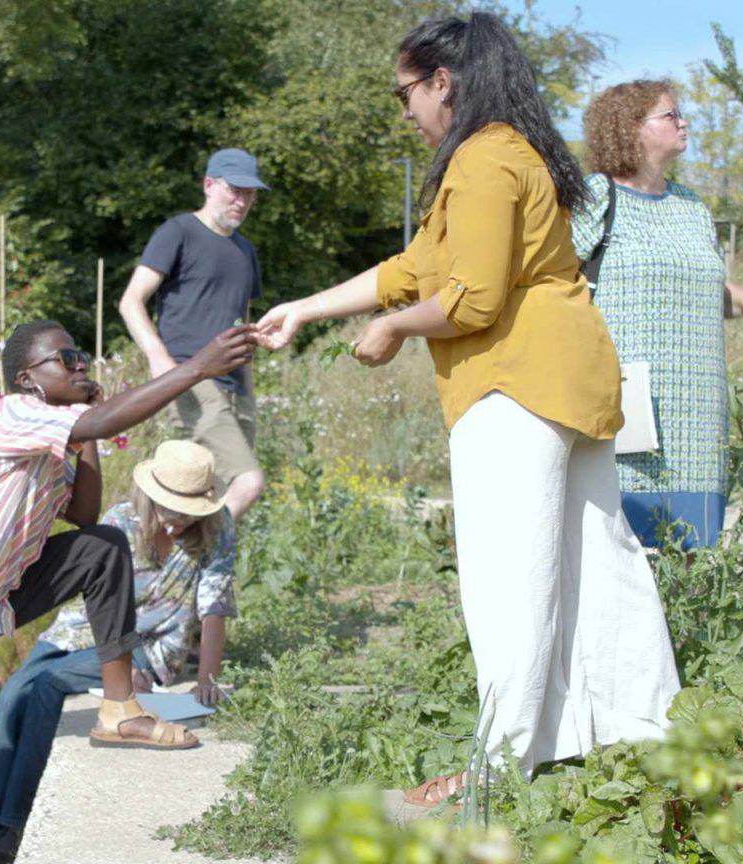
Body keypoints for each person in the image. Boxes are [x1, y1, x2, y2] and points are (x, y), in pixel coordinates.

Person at [257, 13, 680, 801]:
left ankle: (500, 769)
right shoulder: (511, 153)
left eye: (405, 94)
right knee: (600, 569)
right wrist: (307, 308)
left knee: (509, 580)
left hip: (513, 385)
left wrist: (389, 329)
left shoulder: (483, 160)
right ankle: (647, 743)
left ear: (443, 82)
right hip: (568, 379)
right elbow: (414, 267)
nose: (405, 111)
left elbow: (471, 301)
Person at [0, 320, 257, 864]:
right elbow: (102, 417)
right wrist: (196, 368)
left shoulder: (54, 438)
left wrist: (87, 439)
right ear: (29, 378)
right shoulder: (11, 414)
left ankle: (119, 709)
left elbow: (83, 514)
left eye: (82, 357)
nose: (82, 366)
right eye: (67, 358)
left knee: (101, 549)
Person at [0, 439, 238, 860]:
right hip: (82, 632)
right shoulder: (123, 522)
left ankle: (14, 825)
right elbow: (98, 603)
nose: (177, 520)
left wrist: (206, 676)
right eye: (169, 508)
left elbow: (215, 603)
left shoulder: (217, 527)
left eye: (188, 511)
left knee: (45, 686)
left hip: (145, 646)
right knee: (12, 693)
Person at [572, 80, 743, 550]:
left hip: (699, 412)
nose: (683, 122)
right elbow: (551, 277)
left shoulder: (692, 206)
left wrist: (742, 297)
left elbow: (695, 288)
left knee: (694, 554)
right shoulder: (597, 197)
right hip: (628, 396)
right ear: (629, 129)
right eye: (670, 115)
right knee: (626, 554)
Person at [119, 148, 269, 519]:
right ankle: (186, 562)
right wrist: (160, 360)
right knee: (247, 483)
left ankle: (168, 563)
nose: (242, 200)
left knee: (206, 498)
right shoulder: (179, 232)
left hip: (235, 390)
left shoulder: (245, 251)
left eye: (249, 193)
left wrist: (249, 394)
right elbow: (131, 301)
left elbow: (242, 324)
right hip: (190, 377)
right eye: (234, 190)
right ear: (208, 185)